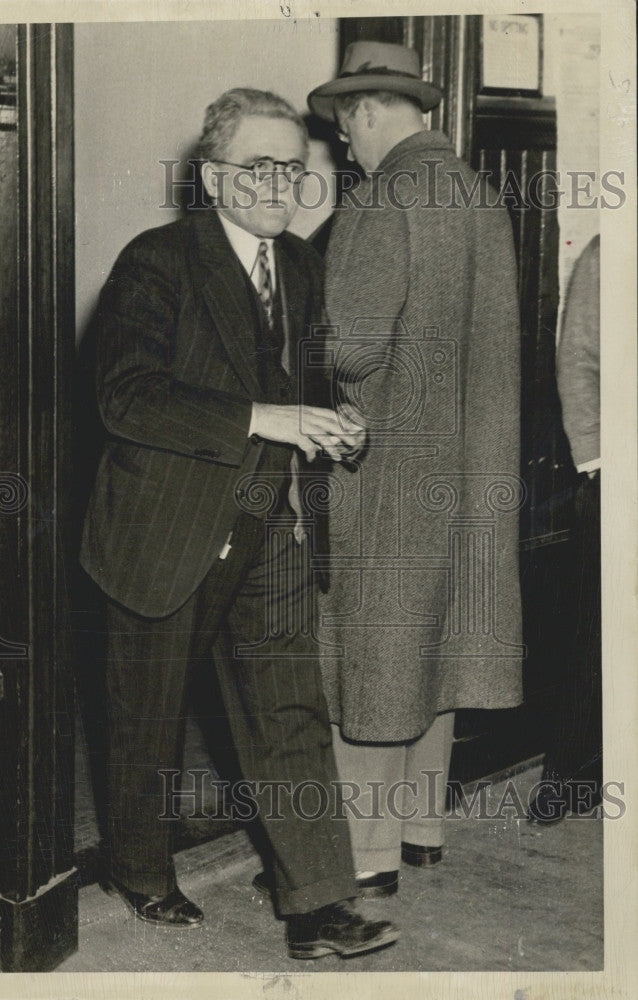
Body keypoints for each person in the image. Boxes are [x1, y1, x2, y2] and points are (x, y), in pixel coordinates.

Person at [79, 87, 399, 960]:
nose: (278, 184)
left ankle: (319, 904)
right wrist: (266, 417)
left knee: (288, 712)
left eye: (292, 167)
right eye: (257, 166)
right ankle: (140, 870)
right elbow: (124, 396)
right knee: (144, 714)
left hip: (268, 522)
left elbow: (309, 385)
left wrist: (338, 419)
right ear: (213, 175)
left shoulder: (302, 265)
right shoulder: (156, 262)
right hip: (162, 527)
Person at [305, 43, 524, 894]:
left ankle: (366, 858)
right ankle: (422, 831)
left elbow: (352, 348)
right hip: (471, 470)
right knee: (437, 647)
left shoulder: (380, 198)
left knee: (374, 657)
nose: (344, 149)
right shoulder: (478, 193)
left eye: (342, 132)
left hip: (389, 470)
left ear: (364, 112)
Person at [528, 234, 602, 823]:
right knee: (599, 639)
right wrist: (600, 461)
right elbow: (576, 361)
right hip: (620, 482)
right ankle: (573, 782)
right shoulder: (611, 252)